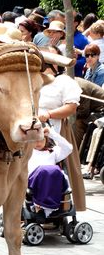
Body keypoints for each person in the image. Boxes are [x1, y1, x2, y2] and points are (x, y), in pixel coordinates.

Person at [38, 45, 86, 213]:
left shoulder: (64, 81)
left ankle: (60, 208)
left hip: (55, 130)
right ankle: (32, 209)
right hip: (31, 132)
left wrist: (48, 114)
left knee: (59, 168)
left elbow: (71, 108)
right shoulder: (31, 79)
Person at [27, 126, 72, 217]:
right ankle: (39, 207)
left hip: (52, 181)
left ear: (46, 139)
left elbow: (69, 148)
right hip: (35, 181)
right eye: (35, 140)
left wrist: (52, 134)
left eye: (41, 139)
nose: (38, 143)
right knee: (43, 170)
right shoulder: (28, 153)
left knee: (55, 170)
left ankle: (51, 208)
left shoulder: (53, 152)